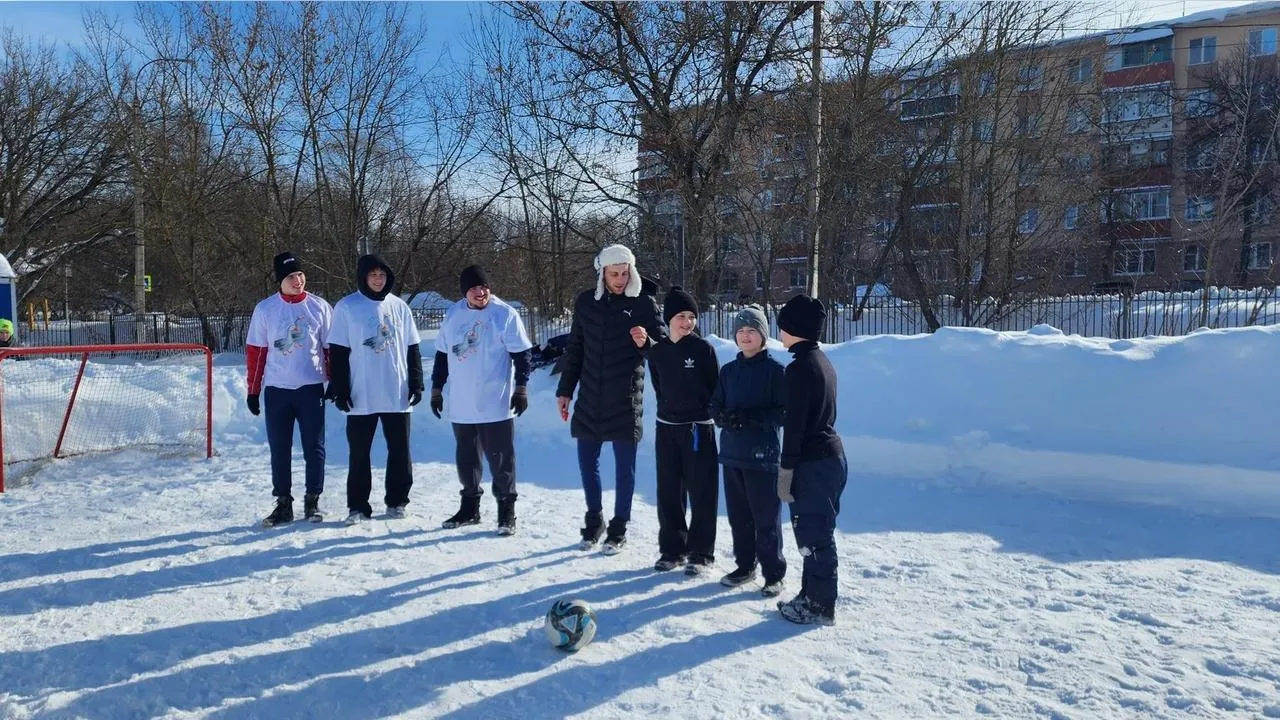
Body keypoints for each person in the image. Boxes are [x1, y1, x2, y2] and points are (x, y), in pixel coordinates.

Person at [555, 243, 666, 553]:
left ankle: (619, 526)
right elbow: (575, 349)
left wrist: (647, 342)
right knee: (587, 464)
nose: (619, 278)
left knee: (624, 469)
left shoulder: (643, 303)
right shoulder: (586, 303)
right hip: (589, 397)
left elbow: (663, 350)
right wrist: (565, 391)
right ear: (602, 273)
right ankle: (594, 521)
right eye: (614, 273)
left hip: (625, 399)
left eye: (624, 272)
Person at [430, 264, 534, 535]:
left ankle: (506, 511)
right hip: (462, 403)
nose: (481, 292)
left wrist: (521, 388)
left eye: (484, 286)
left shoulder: (504, 314)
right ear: (465, 291)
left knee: (501, 460)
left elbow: (522, 354)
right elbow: (442, 355)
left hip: (495, 403)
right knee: (467, 460)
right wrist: (436, 389)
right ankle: (470, 509)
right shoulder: (453, 315)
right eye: (475, 288)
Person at [327, 254, 424, 524]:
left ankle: (397, 500)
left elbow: (412, 347)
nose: (378, 280)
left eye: (382, 275)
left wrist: (416, 381)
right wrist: (340, 388)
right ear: (363, 277)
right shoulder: (347, 307)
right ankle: (358, 506)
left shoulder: (399, 307)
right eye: (373, 275)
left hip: (396, 390)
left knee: (400, 450)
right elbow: (338, 351)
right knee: (359, 453)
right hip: (362, 392)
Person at [773, 294, 847, 626]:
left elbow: (795, 426)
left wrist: (786, 469)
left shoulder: (800, 369)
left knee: (815, 535)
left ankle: (819, 605)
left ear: (794, 328)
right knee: (813, 532)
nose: (780, 332)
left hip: (813, 464)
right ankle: (809, 595)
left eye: (783, 325)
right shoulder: (820, 360)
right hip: (830, 459)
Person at [245, 252, 333, 527]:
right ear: (280, 280)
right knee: (279, 448)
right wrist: (253, 390)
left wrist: (335, 383)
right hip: (278, 390)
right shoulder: (266, 310)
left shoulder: (319, 307)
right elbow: (257, 353)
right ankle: (283, 503)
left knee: (314, 447)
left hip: (310, 389)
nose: (298, 280)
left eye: (300, 274)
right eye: (291, 276)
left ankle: (312, 500)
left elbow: (331, 350)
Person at [712, 305, 787, 596]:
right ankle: (745, 566)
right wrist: (723, 418)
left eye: (751, 331)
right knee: (738, 517)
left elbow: (784, 413)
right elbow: (714, 404)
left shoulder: (775, 372)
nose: (745, 336)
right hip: (731, 455)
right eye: (741, 331)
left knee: (765, 519)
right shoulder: (729, 372)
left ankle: (773, 573)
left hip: (763, 457)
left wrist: (750, 419)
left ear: (762, 336)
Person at [647, 286, 720, 575]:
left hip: (698, 430)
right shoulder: (658, 352)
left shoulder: (704, 350)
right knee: (668, 492)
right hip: (666, 429)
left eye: (692, 316)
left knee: (702, 491)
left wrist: (708, 416)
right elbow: (658, 386)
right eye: (681, 316)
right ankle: (672, 550)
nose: (687, 322)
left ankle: (701, 552)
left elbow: (715, 389)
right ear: (668, 319)